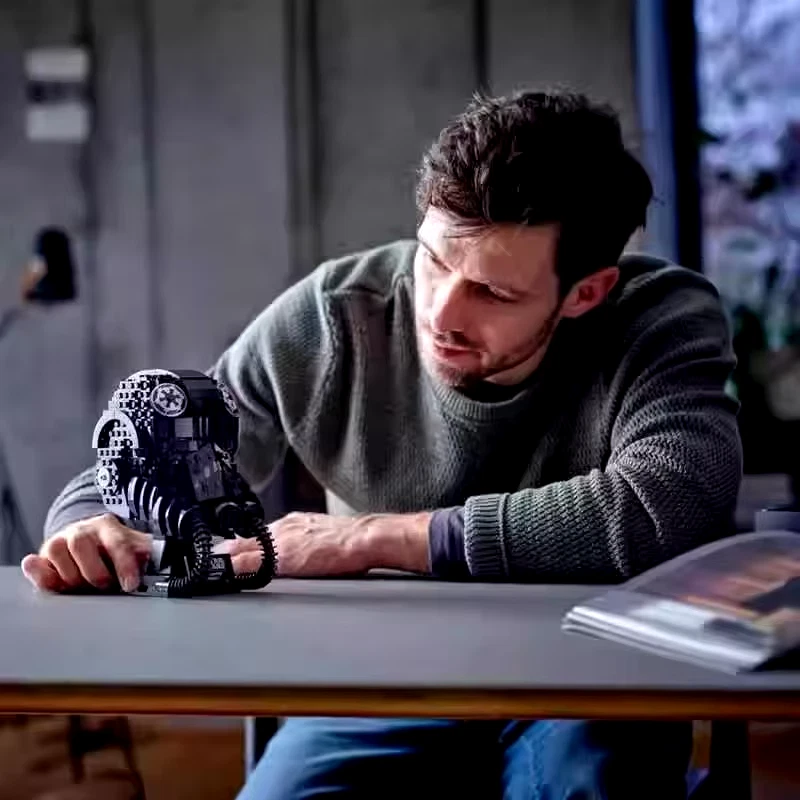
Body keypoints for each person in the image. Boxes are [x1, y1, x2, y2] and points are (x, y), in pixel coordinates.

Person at [22, 90, 743, 799]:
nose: (441, 313)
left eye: (493, 293)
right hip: (386, 679)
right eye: (434, 261)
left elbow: (669, 504)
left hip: (587, 677)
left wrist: (374, 539)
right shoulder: (335, 317)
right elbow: (161, 456)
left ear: (585, 293)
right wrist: (93, 523)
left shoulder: (658, 318)